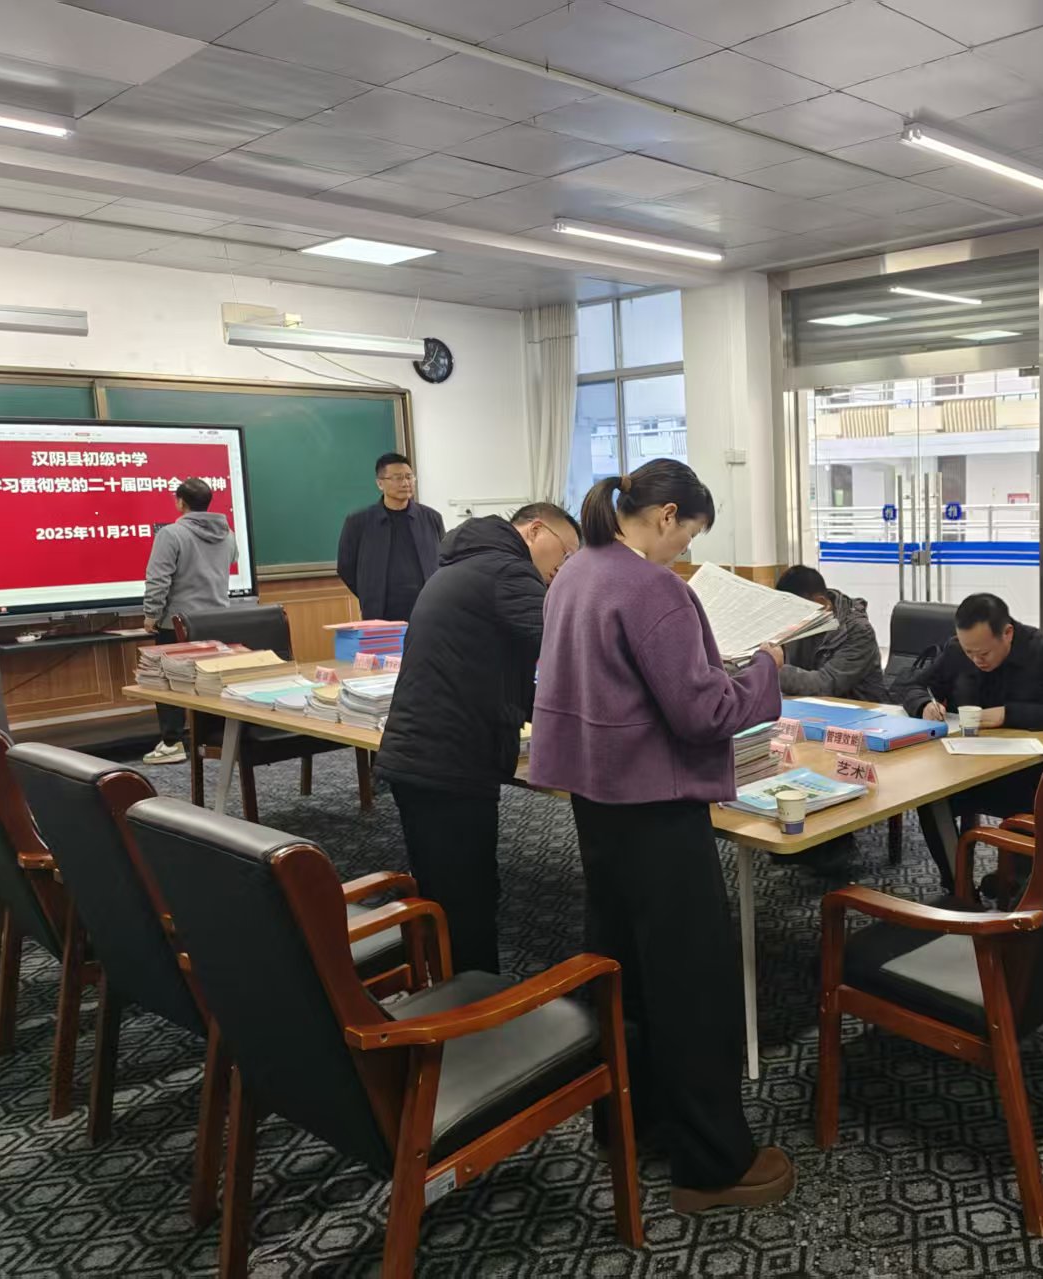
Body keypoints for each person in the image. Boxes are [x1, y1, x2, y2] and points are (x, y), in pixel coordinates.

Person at [529, 459, 795, 1213]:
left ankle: (633, 1125)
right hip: (658, 807)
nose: (685, 553)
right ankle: (711, 1164)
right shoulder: (653, 588)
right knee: (691, 985)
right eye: (688, 537)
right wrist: (766, 670)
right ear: (668, 514)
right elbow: (704, 713)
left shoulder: (577, 571)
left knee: (627, 972)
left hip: (597, 800)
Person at [375, 503, 580, 975]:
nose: (564, 568)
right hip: (448, 761)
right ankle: (472, 1005)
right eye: (566, 553)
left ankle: (443, 990)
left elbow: (505, 675)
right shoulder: (508, 570)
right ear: (536, 530)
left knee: (444, 894)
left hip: (424, 755)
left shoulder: (468, 562)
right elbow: (568, 648)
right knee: (467, 900)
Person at [897, 593, 1043, 895]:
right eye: (969, 652)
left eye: (983, 653)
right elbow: (908, 684)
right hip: (967, 768)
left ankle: (1022, 884)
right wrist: (923, 705)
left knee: (1042, 798)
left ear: (1007, 633)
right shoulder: (958, 651)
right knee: (930, 797)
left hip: (1025, 775)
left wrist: (1007, 714)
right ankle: (958, 887)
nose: (976, 660)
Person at [140, 478, 236, 766]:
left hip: (178, 623)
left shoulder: (171, 534)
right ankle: (211, 740)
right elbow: (232, 560)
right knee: (208, 681)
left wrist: (151, 614)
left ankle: (172, 743)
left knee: (167, 681)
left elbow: (158, 578)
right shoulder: (227, 533)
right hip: (216, 620)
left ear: (180, 502)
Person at [336, 452, 444, 622]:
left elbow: (444, 560)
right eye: (397, 478)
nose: (405, 483)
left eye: (409, 477)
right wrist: (370, 593)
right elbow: (345, 567)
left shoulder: (431, 518)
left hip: (428, 607)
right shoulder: (359, 522)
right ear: (380, 483)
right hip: (381, 611)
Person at [774, 565, 888, 703]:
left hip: (858, 710)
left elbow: (827, 684)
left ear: (821, 603)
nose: (791, 619)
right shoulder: (800, 624)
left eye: (795, 612)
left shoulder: (858, 631)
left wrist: (771, 671)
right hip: (807, 705)